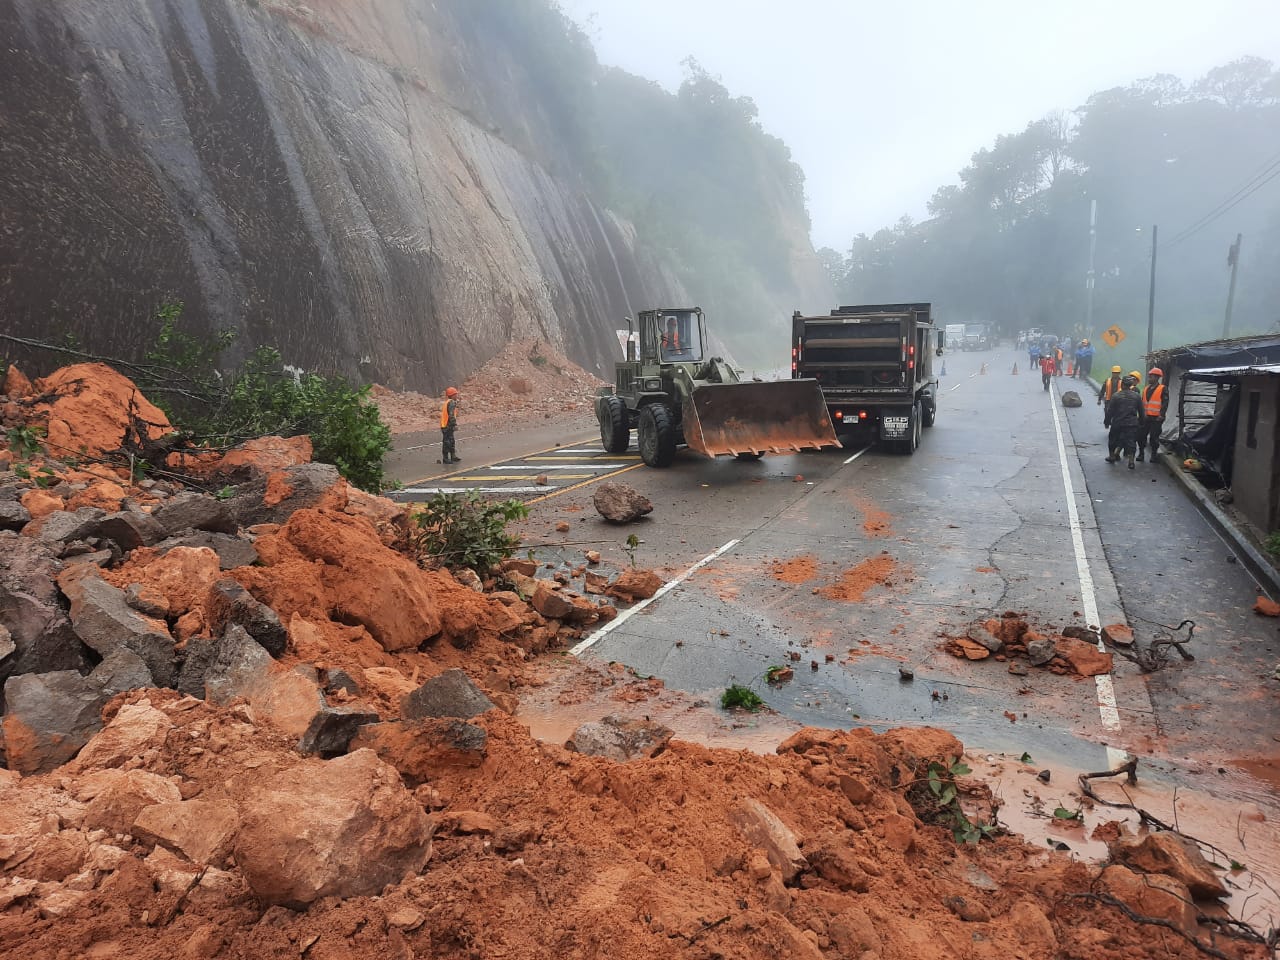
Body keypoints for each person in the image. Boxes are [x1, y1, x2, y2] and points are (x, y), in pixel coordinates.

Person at [1105, 373, 1146, 468]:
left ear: (1122, 384)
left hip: (1117, 422)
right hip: (1131, 423)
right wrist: (1141, 423)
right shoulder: (1136, 396)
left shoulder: (1116, 396)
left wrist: (1107, 421)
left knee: (1113, 440)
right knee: (1131, 442)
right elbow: (1141, 412)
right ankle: (1131, 462)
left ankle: (1112, 456)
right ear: (1131, 385)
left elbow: (1110, 411)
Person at [1138, 367, 1169, 462]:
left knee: (1154, 437)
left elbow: (1165, 402)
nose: (1149, 378)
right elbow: (1142, 403)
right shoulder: (1146, 388)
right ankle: (1141, 453)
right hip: (1146, 417)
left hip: (1156, 418)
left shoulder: (1163, 388)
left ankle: (1154, 455)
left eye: (1151, 377)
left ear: (1156, 377)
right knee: (1141, 436)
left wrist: (1162, 414)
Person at [439, 386, 461, 464]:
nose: (456, 396)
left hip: (446, 425)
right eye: (455, 394)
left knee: (451, 441)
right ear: (452, 395)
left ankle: (453, 456)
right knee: (447, 442)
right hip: (447, 425)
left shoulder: (447, 402)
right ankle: (446, 458)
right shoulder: (451, 402)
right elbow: (451, 415)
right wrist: (454, 424)